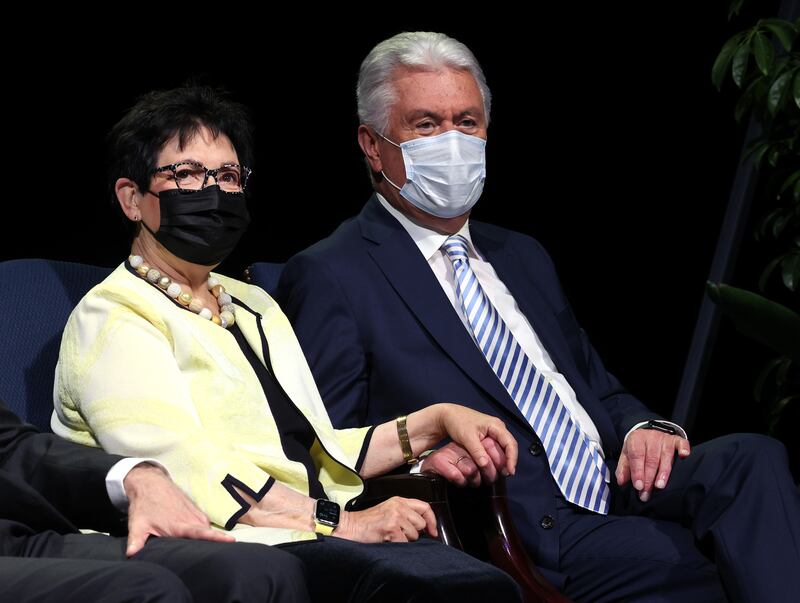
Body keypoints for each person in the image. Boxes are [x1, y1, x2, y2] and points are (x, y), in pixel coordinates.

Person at [275, 31, 800, 603]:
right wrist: (422, 455)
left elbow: (596, 388)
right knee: (703, 565)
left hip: (615, 483)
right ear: (372, 145)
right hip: (520, 519)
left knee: (754, 458)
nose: (452, 141)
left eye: (467, 122)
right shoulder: (332, 273)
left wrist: (645, 428)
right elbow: (327, 448)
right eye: (426, 125)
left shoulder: (521, 254)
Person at [51, 85, 522, 603]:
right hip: (220, 548)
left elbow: (314, 447)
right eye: (186, 174)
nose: (212, 192)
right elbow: (185, 475)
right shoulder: (114, 315)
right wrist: (343, 521)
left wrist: (434, 421)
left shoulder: (251, 303)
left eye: (227, 176)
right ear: (131, 198)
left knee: (481, 584)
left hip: (299, 529)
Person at [1, 398, 307, 603]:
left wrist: (135, 476)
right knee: (145, 591)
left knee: (259, 571)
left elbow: (10, 448)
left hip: (15, 541)